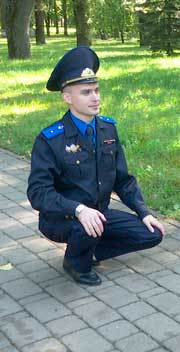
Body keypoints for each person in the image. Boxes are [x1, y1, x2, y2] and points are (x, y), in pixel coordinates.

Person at [27, 46, 165, 286]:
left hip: (99, 214)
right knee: (86, 226)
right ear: (68, 97)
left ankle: (91, 249)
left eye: (97, 90)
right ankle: (75, 262)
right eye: (86, 92)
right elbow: (38, 193)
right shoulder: (50, 139)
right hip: (63, 217)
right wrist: (79, 209)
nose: (95, 97)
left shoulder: (107, 129)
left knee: (152, 234)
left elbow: (123, 179)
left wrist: (143, 212)